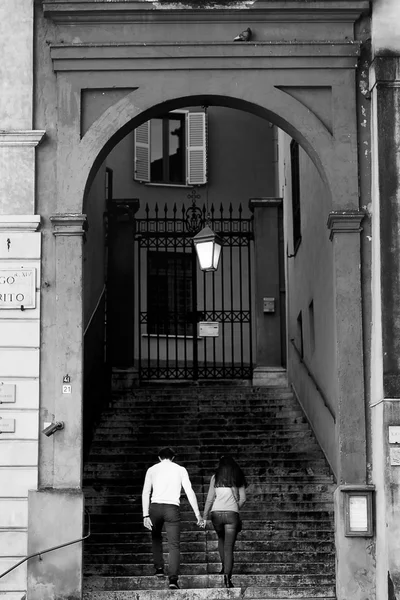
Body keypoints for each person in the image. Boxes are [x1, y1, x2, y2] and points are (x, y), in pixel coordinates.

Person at [142, 447, 204, 589]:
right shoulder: (180, 469)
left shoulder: (152, 470)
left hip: (155, 507)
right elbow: (189, 491)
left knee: (156, 537)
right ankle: (173, 579)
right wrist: (197, 514)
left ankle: (158, 569)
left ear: (159, 457)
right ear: (173, 457)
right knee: (174, 545)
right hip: (172, 508)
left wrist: (145, 514)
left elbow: (146, 492)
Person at [202, 455, 247, 588]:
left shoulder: (215, 477)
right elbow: (243, 498)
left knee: (221, 539)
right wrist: (234, 508)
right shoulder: (237, 477)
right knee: (229, 547)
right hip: (231, 514)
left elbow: (210, 499)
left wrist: (204, 517)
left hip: (216, 513)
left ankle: (223, 567)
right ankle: (227, 577)